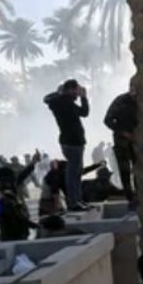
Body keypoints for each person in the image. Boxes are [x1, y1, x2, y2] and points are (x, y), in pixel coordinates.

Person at [45, 79, 91, 211]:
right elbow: (85, 112)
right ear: (71, 89)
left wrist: (60, 92)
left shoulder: (59, 102)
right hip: (73, 141)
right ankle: (74, 202)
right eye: (76, 90)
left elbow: (47, 98)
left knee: (76, 172)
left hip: (71, 141)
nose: (78, 93)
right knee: (73, 173)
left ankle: (78, 200)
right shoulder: (65, 102)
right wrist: (84, 98)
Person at [103, 85, 138, 203]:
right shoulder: (120, 101)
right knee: (125, 170)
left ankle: (141, 193)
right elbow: (107, 120)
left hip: (139, 142)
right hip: (122, 141)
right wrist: (123, 133)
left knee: (139, 169)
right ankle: (130, 197)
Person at [0, 164, 37, 242]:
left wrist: (33, 163)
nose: (14, 179)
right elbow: (15, 215)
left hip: (16, 232)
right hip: (12, 233)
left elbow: (22, 176)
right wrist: (32, 225)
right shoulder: (1, 194)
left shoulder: (8, 189)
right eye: (13, 177)